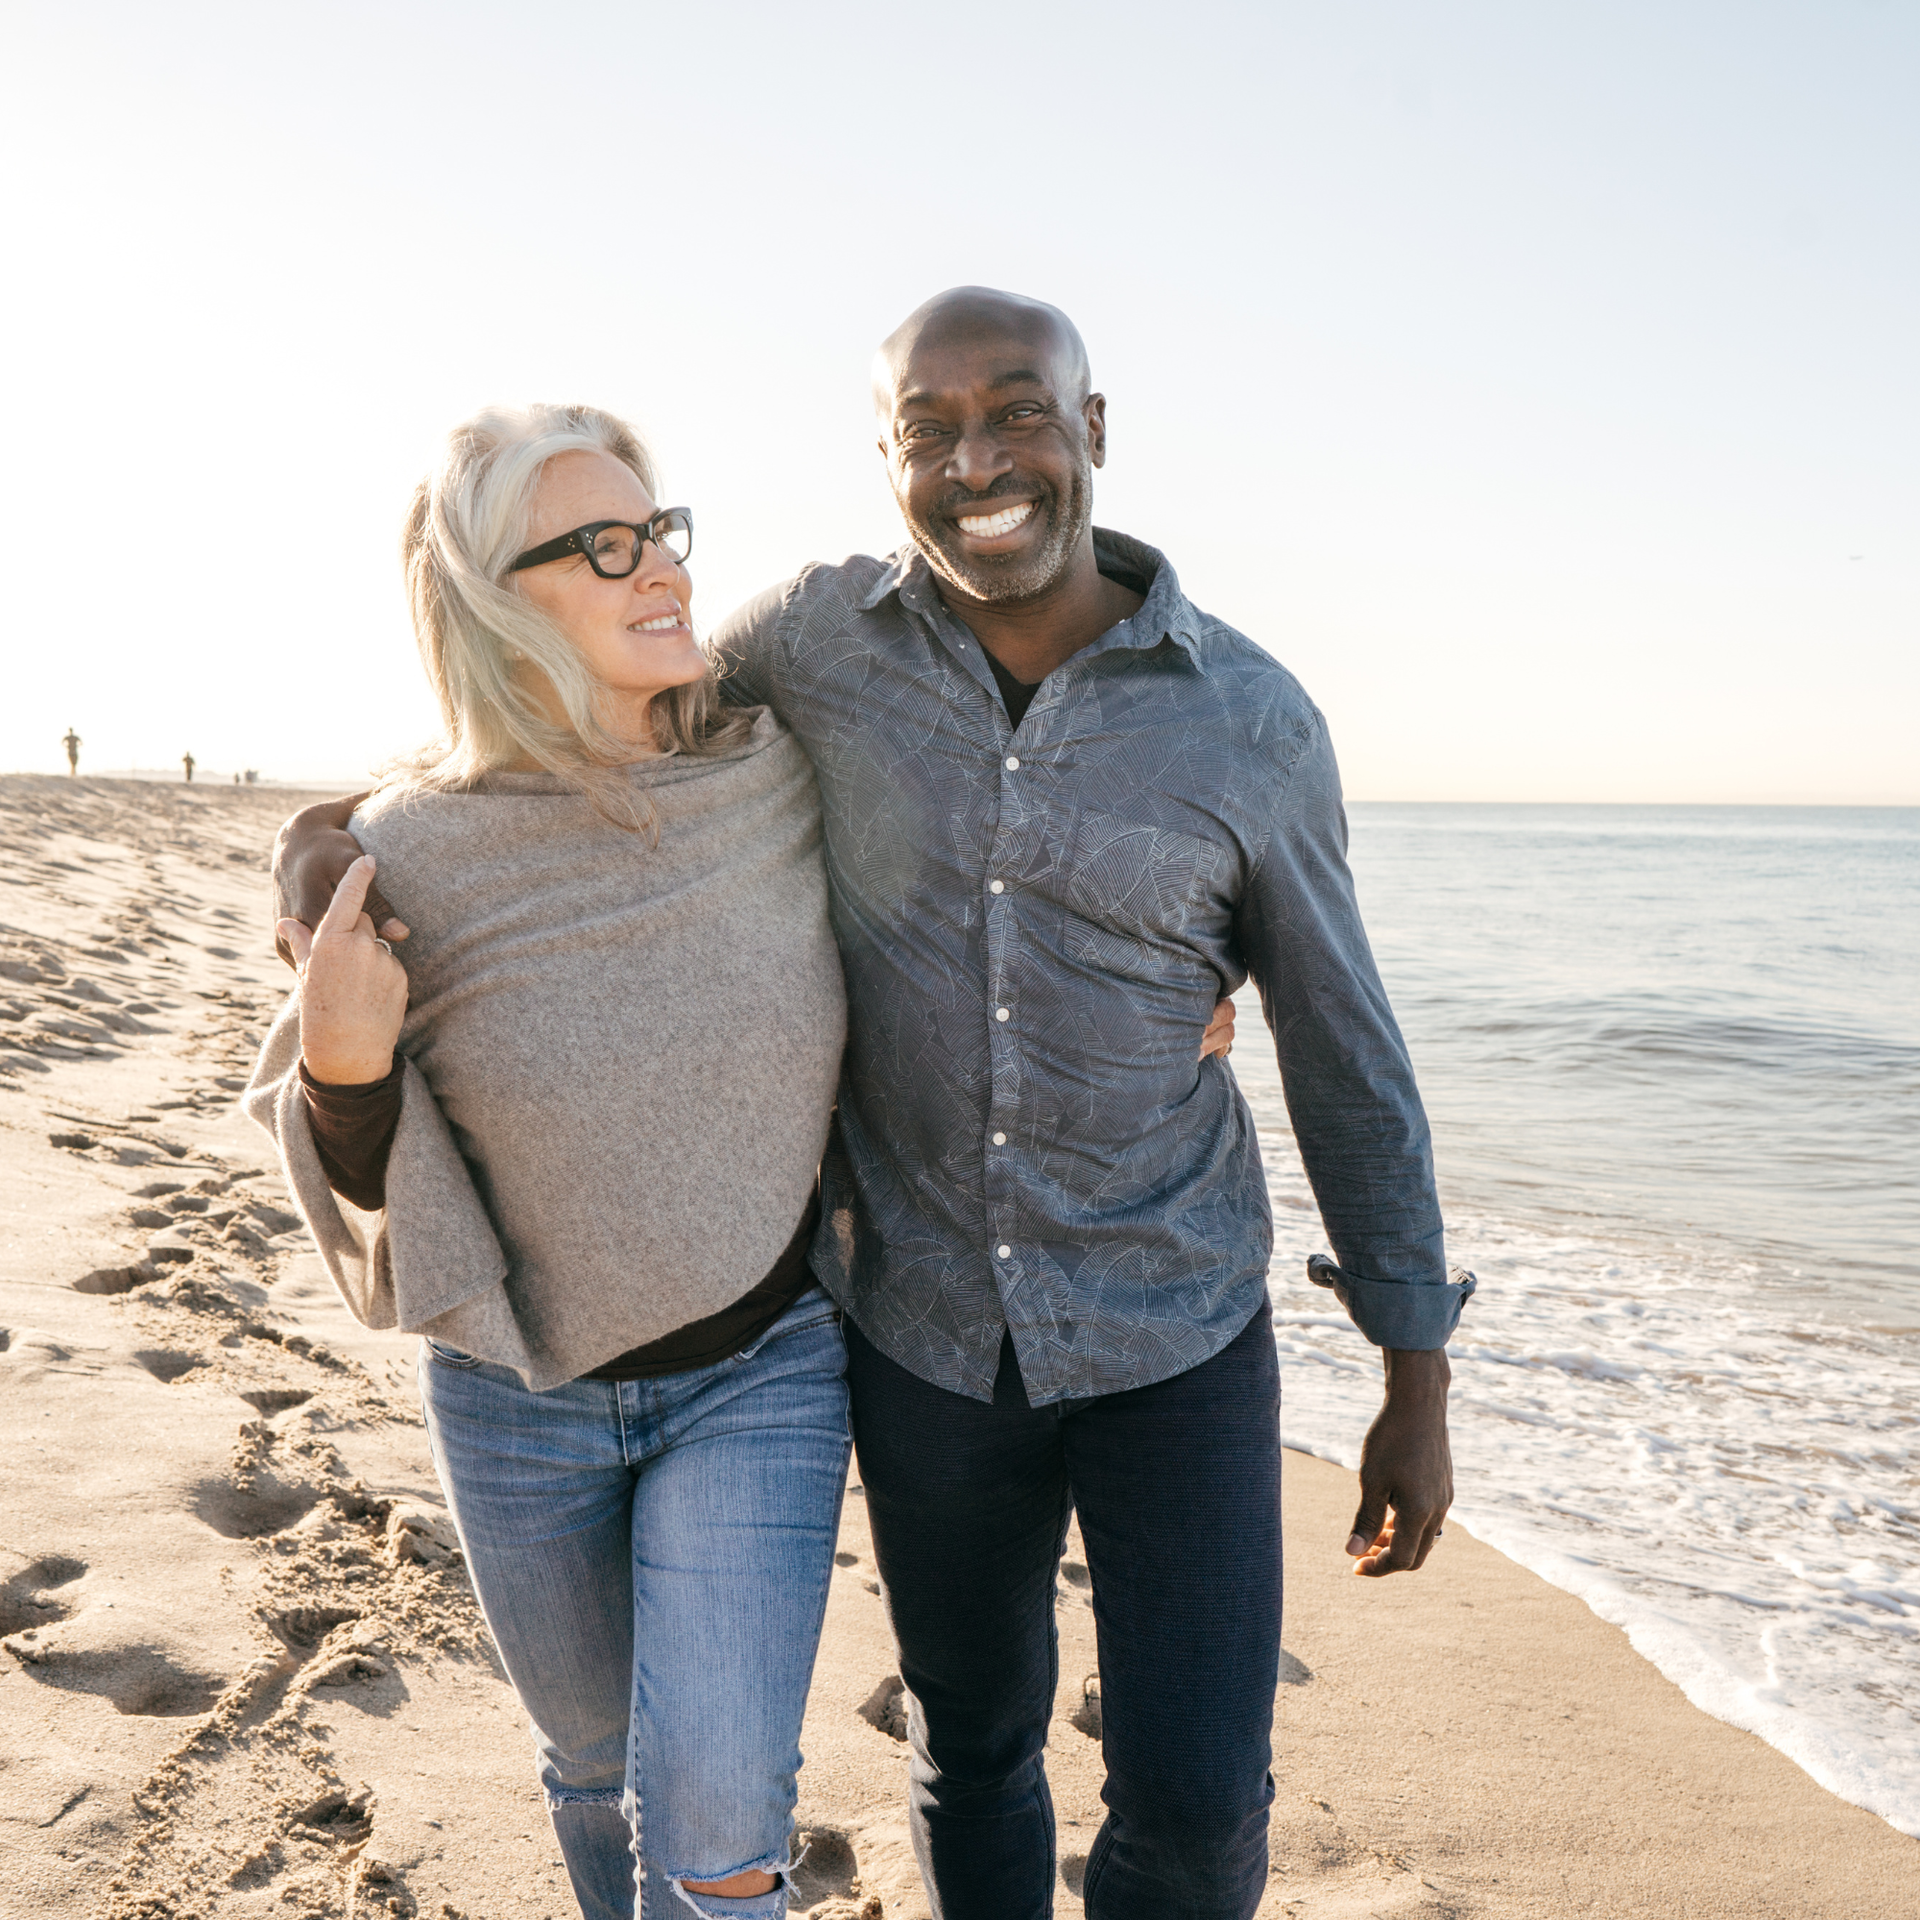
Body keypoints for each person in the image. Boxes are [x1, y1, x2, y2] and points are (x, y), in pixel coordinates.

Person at [276, 291, 1471, 1920]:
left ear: (1094, 431)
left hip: (1173, 1322)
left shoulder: (1249, 720)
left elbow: (1346, 1043)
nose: (979, 462)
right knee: (973, 1748)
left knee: (1197, 1809)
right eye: (930, 430)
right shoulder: (811, 651)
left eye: (1021, 414)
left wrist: (1415, 1361)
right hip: (917, 1333)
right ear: (887, 458)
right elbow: (550, 737)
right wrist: (325, 828)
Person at [246, 404, 860, 1920]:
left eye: (659, 531)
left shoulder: (779, 774)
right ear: (491, 600)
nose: (659, 568)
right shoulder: (415, 854)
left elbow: (977, 839)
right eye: (603, 545)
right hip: (519, 1397)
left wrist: (1168, 977)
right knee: (592, 1768)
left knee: (717, 1828)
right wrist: (341, 1067)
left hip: (766, 1370)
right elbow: (381, 1191)